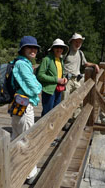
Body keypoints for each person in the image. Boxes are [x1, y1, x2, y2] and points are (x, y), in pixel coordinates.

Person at [10, 36, 42, 184]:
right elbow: (34, 87)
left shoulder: (20, 63)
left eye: (35, 47)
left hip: (17, 105)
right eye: (30, 47)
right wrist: (39, 86)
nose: (33, 50)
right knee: (27, 139)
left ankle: (15, 167)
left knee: (16, 138)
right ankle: (30, 174)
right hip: (24, 106)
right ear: (23, 49)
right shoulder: (23, 65)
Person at [63, 32, 100, 100]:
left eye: (80, 42)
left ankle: (76, 111)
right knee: (64, 101)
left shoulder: (80, 53)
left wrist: (94, 65)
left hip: (77, 80)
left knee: (78, 100)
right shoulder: (66, 51)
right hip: (67, 80)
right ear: (72, 42)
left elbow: (85, 63)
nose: (78, 44)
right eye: (76, 42)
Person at [37, 38, 68, 117]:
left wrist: (64, 78)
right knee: (47, 113)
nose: (59, 49)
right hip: (48, 90)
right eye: (57, 47)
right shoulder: (47, 59)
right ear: (53, 48)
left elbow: (60, 73)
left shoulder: (60, 60)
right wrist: (56, 79)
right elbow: (40, 75)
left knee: (55, 111)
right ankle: (43, 129)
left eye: (61, 47)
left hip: (58, 89)